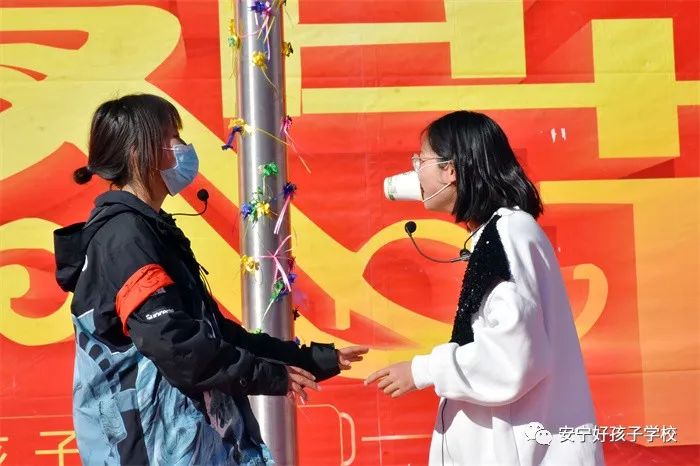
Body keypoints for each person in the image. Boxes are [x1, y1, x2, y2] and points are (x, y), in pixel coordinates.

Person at [53, 93, 368, 465]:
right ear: (141, 153)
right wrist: (270, 375)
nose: (184, 148)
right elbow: (176, 347)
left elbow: (213, 333)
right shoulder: (125, 238)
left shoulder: (149, 231)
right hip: (150, 449)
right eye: (174, 138)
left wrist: (310, 359)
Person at [365, 111, 604, 465]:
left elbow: (512, 357)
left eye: (421, 160)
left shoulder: (507, 233)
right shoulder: (503, 232)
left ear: (450, 170)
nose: (416, 171)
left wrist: (422, 371)